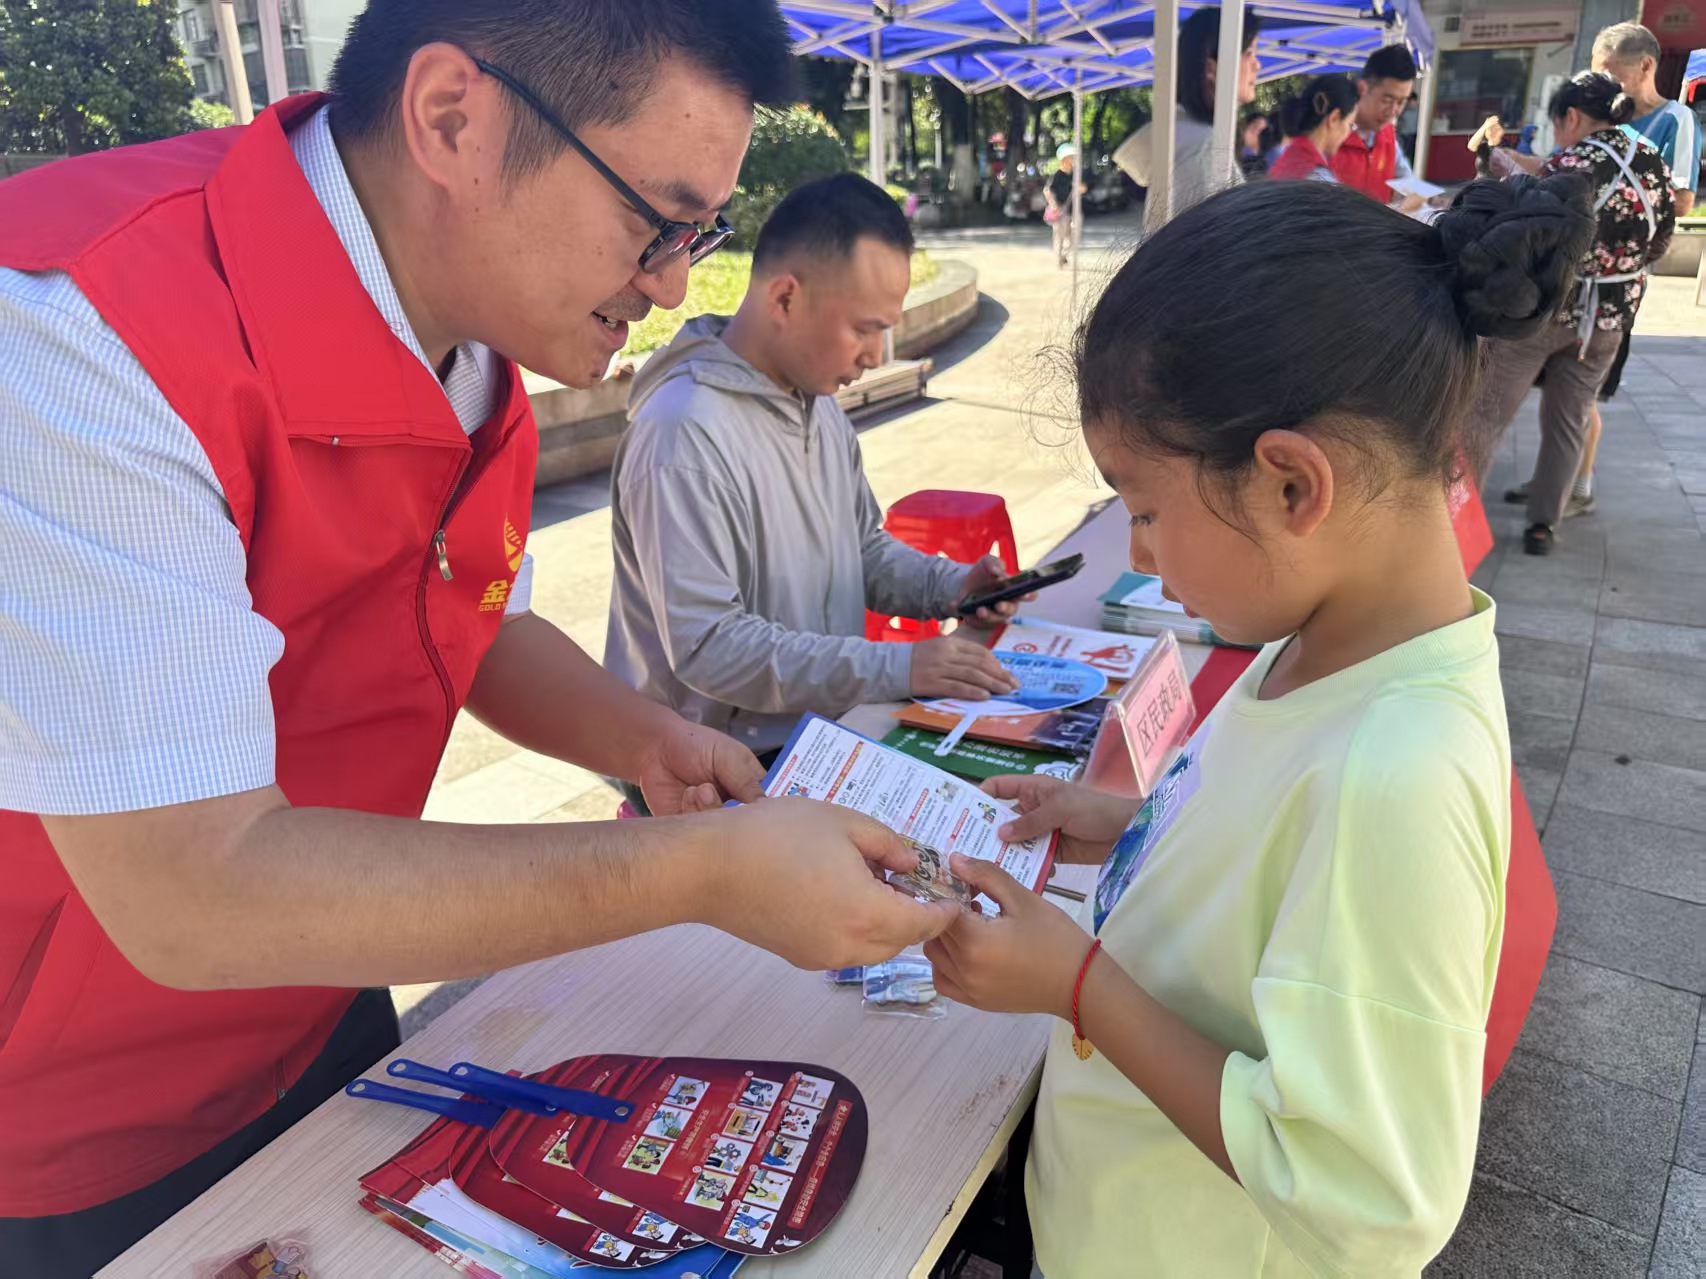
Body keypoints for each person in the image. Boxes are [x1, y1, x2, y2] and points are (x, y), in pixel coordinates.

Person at [0, 5, 960, 1273]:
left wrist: (649, 741)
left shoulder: (473, 354)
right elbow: (193, 888)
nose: (673, 283)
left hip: (330, 988)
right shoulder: (81, 331)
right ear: (453, 118)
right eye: (653, 221)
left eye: (699, 234)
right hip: (76, 1112)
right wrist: (697, 871)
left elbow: (475, 619)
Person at [916, 175, 1594, 1275]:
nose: (1138, 555)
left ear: (1290, 485)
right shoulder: (1319, 642)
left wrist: (1076, 984)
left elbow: (1368, 1198)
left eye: (1145, 510)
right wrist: (1128, 821)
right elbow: (1272, 846)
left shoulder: (1395, 775)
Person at [604, 173, 1022, 805]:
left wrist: (953, 587)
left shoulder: (817, 403)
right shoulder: (682, 433)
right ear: (785, 299)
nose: (877, 355)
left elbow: (861, 547)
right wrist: (901, 666)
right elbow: (711, 648)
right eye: (864, 329)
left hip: (821, 737)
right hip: (711, 776)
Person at [1466, 72, 1675, 555]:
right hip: (1608, 320)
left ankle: (1455, 521)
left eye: (1557, 123)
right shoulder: (1650, 160)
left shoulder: (1572, 164)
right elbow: (1660, 242)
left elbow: (1528, 228)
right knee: (1570, 420)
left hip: (1545, 312)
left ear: (1573, 117)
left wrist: (1489, 160)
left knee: (1484, 416)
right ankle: (1543, 525)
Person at [1113, 8, 1261, 233]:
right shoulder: (1201, 146)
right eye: (1249, 53)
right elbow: (1200, 245)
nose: (1257, 65)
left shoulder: (1188, 139)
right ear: (1211, 67)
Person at [1333, 45, 1426, 211]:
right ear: (1363, 88)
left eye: (1401, 102)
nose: (1394, 110)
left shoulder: (1387, 134)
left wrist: (1429, 200)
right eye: (1387, 100)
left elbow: (1411, 185)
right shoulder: (1329, 136)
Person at [1267, 75, 1359, 182]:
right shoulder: (1319, 178)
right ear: (1334, 118)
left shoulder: (1285, 160)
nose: (1349, 133)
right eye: (1350, 125)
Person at [1046, 144, 1084, 268]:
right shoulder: (1056, 175)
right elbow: (1047, 190)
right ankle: (1059, 259)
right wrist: (1053, 205)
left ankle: (1064, 255)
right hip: (1061, 210)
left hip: (1074, 210)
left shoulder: (1076, 174)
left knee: (1074, 236)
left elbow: (1084, 187)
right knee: (1060, 236)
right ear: (1063, 159)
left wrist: (1081, 188)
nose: (1073, 159)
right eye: (1070, 157)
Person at [1238, 108, 1270, 178]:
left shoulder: (1268, 157)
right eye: (1254, 128)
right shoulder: (1240, 156)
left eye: (1262, 131)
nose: (1257, 133)